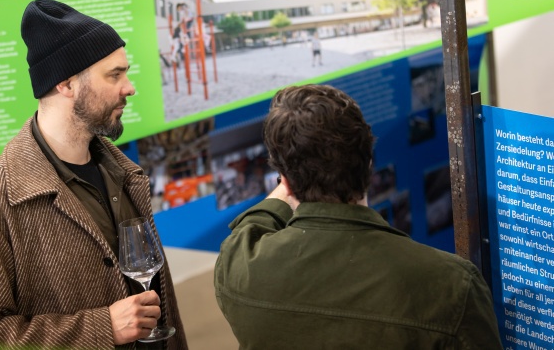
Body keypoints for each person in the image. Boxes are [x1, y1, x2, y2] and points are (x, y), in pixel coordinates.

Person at [0, 0, 188, 349]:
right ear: (66, 84)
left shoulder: (123, 174)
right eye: (114, 75)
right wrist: (102, 328)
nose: (129, 87)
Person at [214, 84, 502, 350]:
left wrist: (290, 177)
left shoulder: (240, 268)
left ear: (285, 183)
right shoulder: (452, 286)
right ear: (369, 164)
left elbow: (252, 225)